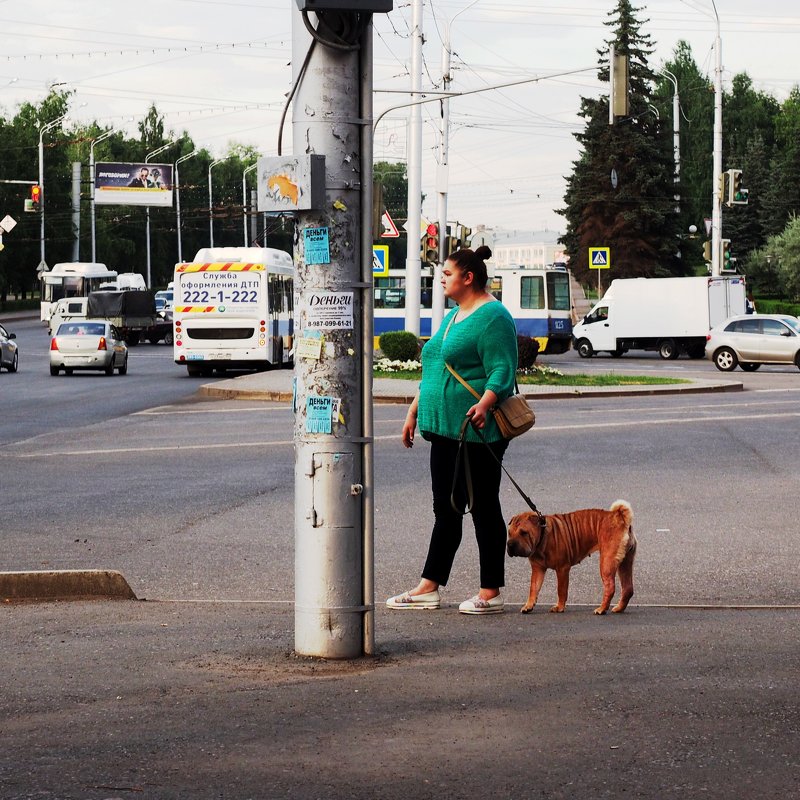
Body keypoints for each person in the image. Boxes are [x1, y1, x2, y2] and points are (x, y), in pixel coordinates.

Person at [386, 245, 518, 615]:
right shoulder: (455, 315)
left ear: (468, 277)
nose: (441, 278)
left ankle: (490, 590)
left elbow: (503, 369)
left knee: (482, 506)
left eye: (447, 273)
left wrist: (486, 403)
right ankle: (430, 586)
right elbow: (435, 369)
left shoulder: (493, 316)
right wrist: (414, 411)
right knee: (446, 508)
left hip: (477, 429)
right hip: (443, 427)